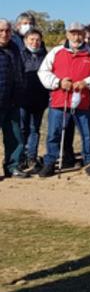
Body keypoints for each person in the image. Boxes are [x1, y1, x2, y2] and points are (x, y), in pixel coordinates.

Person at [37, 22, 90, 177]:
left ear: (84, 35)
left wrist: (86, 82)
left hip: (82, 100)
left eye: (80, 33)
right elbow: (43, 72)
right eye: (73, 33)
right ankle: (50, 162)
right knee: (53, 133)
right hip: (59, 100)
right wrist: (59, 82)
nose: (76, 37)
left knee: (87, 133)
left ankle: (89, 161)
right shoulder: (56, 52)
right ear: (67, 35)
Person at [18, 27, 49, 173]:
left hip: (40, 99)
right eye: (32, 39)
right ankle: (21, 156)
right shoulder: (20, 55)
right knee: (22, 129)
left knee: (34, 129)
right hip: (23, 98)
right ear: (25, 41)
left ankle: (32, 156)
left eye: (37, 40)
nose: (35, 42)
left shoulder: (46, 56)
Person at [0, 19, 27, 178]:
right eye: (1, 31)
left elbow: (20, 72)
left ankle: (13, 166)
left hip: (12, 100)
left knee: (15, 137)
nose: (4, 34)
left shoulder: (15, 48)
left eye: (7, 31)